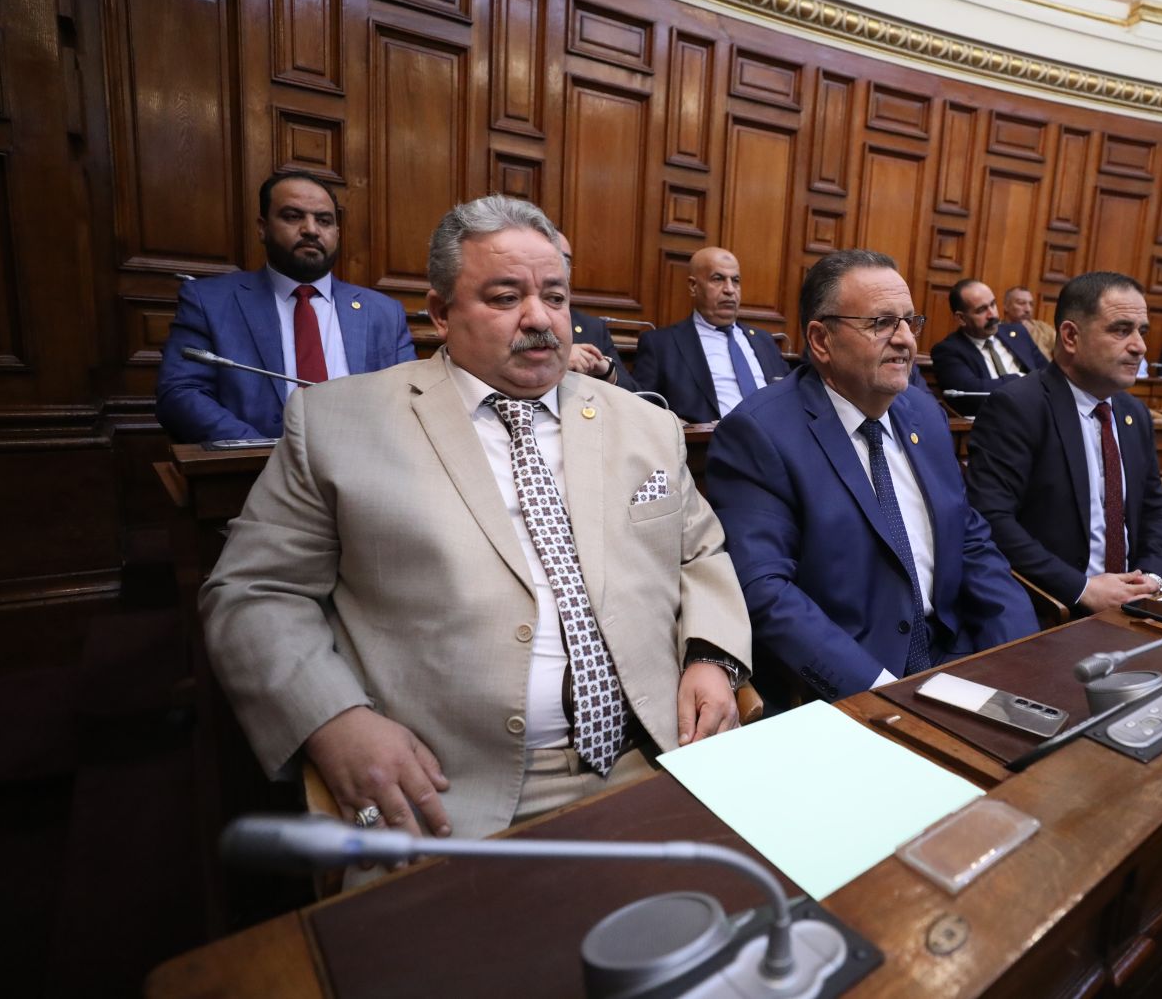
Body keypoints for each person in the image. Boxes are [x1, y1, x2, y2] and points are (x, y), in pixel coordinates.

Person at [201, 196, 751, 864]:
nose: (539, 318)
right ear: (440, 313)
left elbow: (701, 551)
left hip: (663, 751)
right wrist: (333, 719)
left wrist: (711, 658)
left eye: (555, 296)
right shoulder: (336, 423)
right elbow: (253, 591)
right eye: (505, 297)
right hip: (449, 789)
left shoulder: (645, 422)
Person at [705, 249, 1036, 704]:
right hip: (851, 684)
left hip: (956, 659)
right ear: (821, 340)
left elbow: (971, 542)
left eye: (909, 322)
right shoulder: (760, 433)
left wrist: (1019, 654)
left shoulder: (924, 413)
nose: (905, 340)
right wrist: (878, 691)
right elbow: (765, 592)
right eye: (881, 323)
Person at [966, 271, 1162, 614]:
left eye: (1142, 331)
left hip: (1136, 606)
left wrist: (1153, 577)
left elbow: (1154, 510)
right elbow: (991, 518)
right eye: (1121, 330)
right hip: (1053, 607)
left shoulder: (1134, 413)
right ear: (1071, 336)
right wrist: (1081, 589)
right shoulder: (1019, 406)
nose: (1140, 346)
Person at [155, 171, 415, 443]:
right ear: (262, 227)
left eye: (324, 220)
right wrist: (263, 453)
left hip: (362, 463)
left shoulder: (384, 312)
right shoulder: (209, 301)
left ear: (337, 234)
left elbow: (409, 400)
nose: (311, 229)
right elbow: (180, 393)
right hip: (255, 464)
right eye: (293, 216)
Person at [631, 247, 790, 422]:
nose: (730, 289)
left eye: (735, 281)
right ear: (693, 286)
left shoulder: (764, 341)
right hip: (708, 438)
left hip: (776, 436)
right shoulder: (661, 346)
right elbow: (641, 409)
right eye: (718, 279)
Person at [929, 278, 1049, 398]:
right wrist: (1022, 379)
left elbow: (1048, 373)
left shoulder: (1018, 333)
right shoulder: (948, 351)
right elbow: (971, 393)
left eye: (993, 304)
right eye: (981, 310)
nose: (992, 315)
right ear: (961, 318)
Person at [553, 230, 636, 392]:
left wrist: (607, 372)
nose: (561, 266)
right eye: (555, 257)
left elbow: (639, 396)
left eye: (566, 260)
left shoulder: (593, 328)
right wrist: (558, 361)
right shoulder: (512, 319)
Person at [1002, 284, 1056, 360]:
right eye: (1021, 303)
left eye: (1031, 304)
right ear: (1006, 306)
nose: (1028, 309)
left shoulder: (1043, 329)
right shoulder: (997, 331)